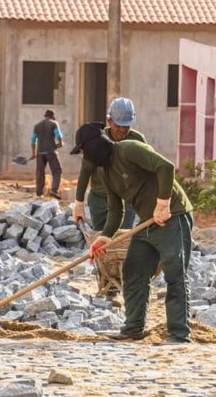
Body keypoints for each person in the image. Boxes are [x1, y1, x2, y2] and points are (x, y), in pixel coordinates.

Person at [72, 122, 195, 344]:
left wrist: (163, 203)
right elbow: (115, 209)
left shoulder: (129, 149)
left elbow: (165, 167)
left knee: (174, 271)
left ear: (94, 147)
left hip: (172, 215)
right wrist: (104, 237)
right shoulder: (106, 173)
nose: (84, 156)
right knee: (133, 269)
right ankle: (133, 328)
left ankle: (179, 333)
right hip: (148, 222)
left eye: (83, 150)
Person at [73, 97, 146, 233]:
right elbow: (85, 171)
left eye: (127, 126)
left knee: (122, 238)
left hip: (127, 199)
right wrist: (79, 202)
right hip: (100, 199)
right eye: (118, 125)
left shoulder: (138, 140)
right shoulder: (98, 140)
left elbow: (147, 170)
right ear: (109, 120)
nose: (122, 130)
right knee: (103, 239)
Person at [31, 110, 63, 198]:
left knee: (40, 172)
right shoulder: (54, 123)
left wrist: (33, 153)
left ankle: (39, 192)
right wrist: (60, 143)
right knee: (57, 170)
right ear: (52, 116)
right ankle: (54, 190)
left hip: (40, 152)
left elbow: (33, 141)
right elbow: (58, 135)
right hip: (51, 151)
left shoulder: (37, 126)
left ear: (45, 116)